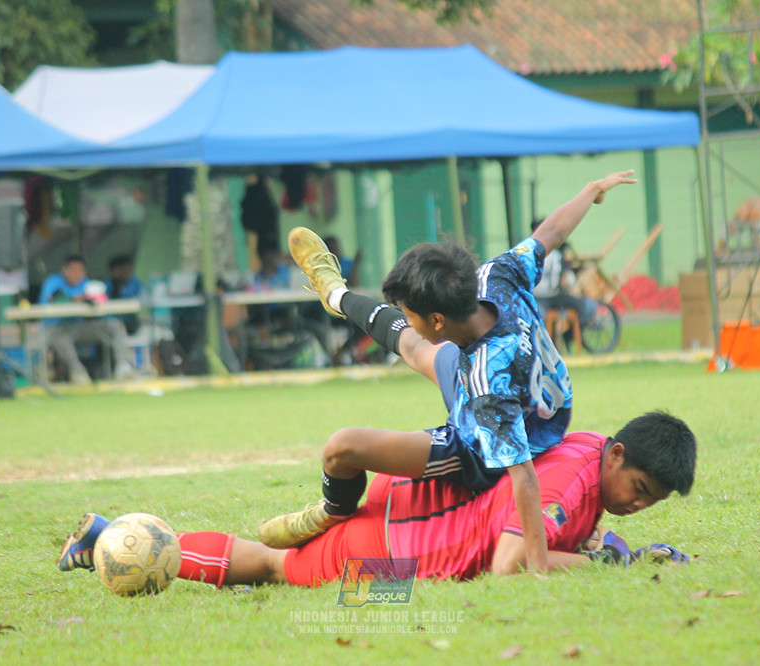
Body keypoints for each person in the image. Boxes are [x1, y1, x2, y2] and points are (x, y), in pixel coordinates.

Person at [257, 171, 637, 574]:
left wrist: (538, 563)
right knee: (412, 345)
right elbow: (552, 232)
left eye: (410, 314)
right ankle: (336, 293)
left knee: (342, 447)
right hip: (519, 389)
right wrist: (589, 191)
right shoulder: (497, 276)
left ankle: (334, 510)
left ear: (438, 320)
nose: (408, 319)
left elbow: (523, 475)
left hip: (478, 450)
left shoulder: (487, 387)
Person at [56, 411, 696, 584]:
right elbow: (510, 564)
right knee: (275, 566)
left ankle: (107, 536)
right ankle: (109, 540)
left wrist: (614, 545)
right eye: (639, 490)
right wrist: (610, 562)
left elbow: (560, 522)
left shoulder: (586, 447)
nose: (638, 505)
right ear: (617, 455)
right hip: (401, 558)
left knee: (280, 559)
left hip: (409, 507)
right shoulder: (573, 480)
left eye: (651, 502)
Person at [38, 255, 134, 384]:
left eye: (80, 270)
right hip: (57, 328)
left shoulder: (87, 284)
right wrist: (77, 299)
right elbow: (54, 299)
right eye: (73, 270)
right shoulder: (53, 282)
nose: (77, 274)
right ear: (65, 271)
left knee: (115, 325)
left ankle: (123, 368)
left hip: (80, 327)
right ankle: (78, 373)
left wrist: (94, 300)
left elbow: (99, 300)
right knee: (60, 337)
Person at [105, 255, 143, 336]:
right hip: (111, 322)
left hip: (129, 321)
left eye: (128, 269)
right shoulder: (108, 284)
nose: (127, 272)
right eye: (122, 269)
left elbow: (136, 297)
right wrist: (116, 283)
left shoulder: (134, 283)